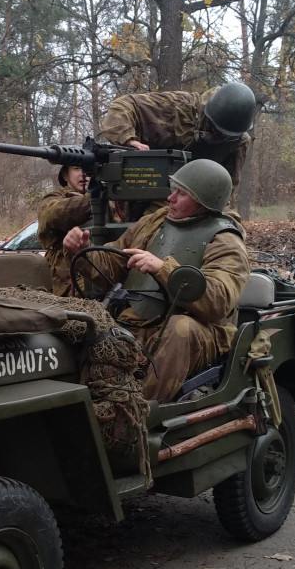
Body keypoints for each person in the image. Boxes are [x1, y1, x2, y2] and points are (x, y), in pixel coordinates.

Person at [61, 158, 250, 403]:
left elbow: (218, 301)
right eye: (173, 190)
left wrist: (163, 269)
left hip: (200, 330)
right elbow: (113, 263)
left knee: (180, 329)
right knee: (83, 320)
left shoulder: (225, 240)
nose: (170, 198)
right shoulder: (156, 221)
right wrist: (81, 250)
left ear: (205, 202)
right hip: (140, 319)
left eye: (182, 194)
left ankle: (141, 411)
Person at [98, 81, 258, 190]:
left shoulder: (238, 142)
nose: (220, 137)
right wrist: (128, 139)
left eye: (226, 135)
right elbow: (124, 104)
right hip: (147, 183)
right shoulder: (179, 107)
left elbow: (227, 185)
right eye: (217, 131)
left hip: (194, 197)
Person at [36, 163, 91, 295]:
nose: (83, 174)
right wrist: (91, 200)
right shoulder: (53, 198)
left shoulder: (111, 198)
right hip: (67, 276)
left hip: (102, 267)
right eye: (77, 168)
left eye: (88, 169)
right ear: (65, 175)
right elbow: (53, 214)